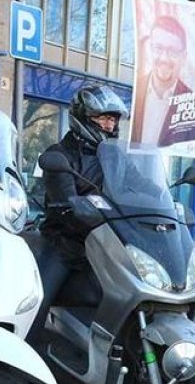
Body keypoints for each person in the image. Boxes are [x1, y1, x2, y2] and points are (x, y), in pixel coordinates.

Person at [31, 85, 128, 341]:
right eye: (104, 118)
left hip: (108, 245)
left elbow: (139, 186)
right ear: (84, 118)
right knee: (36, 301)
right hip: (66, 245)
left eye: (113, 119)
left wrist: (166, 204)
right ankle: (21, 360)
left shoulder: (116, 158)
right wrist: (84, 210)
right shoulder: (59, 156)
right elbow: (66, 202)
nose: (109, 125)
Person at [131, 15, 195, 148]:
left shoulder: (194, 104)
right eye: (158, 48)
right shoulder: (133, 91)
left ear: (183, 57)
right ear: (150, 49)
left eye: (172, 51)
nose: (164, 58)